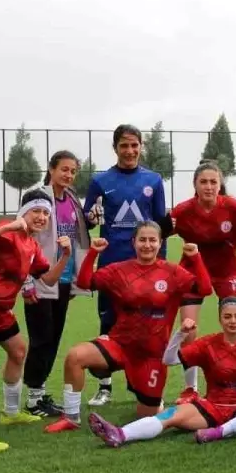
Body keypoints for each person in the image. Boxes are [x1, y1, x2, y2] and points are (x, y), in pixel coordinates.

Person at [43, 222, 213, 432]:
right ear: (134, 242)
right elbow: (86, 282)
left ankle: (154, 402)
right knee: (75, 357)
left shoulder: (172, 273)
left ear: (160, 243)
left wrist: (195, 257)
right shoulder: (119, 270)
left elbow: (205, 288)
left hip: (152, 356)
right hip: (119, 345)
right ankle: (71, 417)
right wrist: (93, 253)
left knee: (148, 418)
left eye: (152, 240)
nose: (147, 245)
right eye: (142, 240)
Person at [86, 297, 236, 447]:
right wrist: (180, 334)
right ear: (220, 318)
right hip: (213, 408)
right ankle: (120, 434)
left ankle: (220, 433)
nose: (233, 321)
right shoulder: (208, 343)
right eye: (227, 317)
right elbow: (169, 360)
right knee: (170, 415)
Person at [0, 196, 72, 452]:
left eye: (45, 213)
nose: (41, 217)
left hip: (0, 307)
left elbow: (49, 280)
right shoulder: (9, 231)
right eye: (36, 212)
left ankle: (10, 412)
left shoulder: (31, 245)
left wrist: (65, 256)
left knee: (18, 351)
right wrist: (7, 227)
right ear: (24, 213)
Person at [82, 124, 169, 407]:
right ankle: (104, 386)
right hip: (112, 265)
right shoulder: (100, 180)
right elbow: (87, 218)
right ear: (115, 147)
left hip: (144, 267)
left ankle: (140, 382)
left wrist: (162, 265)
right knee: (109, 322)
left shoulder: (153, 181)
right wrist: (91, 218)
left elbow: (159, 226)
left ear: (141, 147)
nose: (130, 151)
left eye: (134, 145)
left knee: (145, 325)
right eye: (124, 146)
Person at [164, 161, 236, 403]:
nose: (208, 186)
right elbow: (156, 233)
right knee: (188, 329)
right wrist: (164, 225)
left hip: (227, 273)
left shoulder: (233, 207)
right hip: (192, 273)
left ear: (220, 185)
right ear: (195, 185)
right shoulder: (183, 211)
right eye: (203, 182)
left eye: (213, 182)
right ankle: (191, 389)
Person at [22, 151, 92, 418]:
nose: (69, 175)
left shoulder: (72, 199)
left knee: (52, 338)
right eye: (64, 169)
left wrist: (75, 280)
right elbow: (25, 237)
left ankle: (38, 395)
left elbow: (77, 234)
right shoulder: (37, 197)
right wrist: (26, 280)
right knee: (41, 338)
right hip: (40, 279)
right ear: (51, 169)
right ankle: (34, 398)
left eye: (73, 171)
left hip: (63, 278)